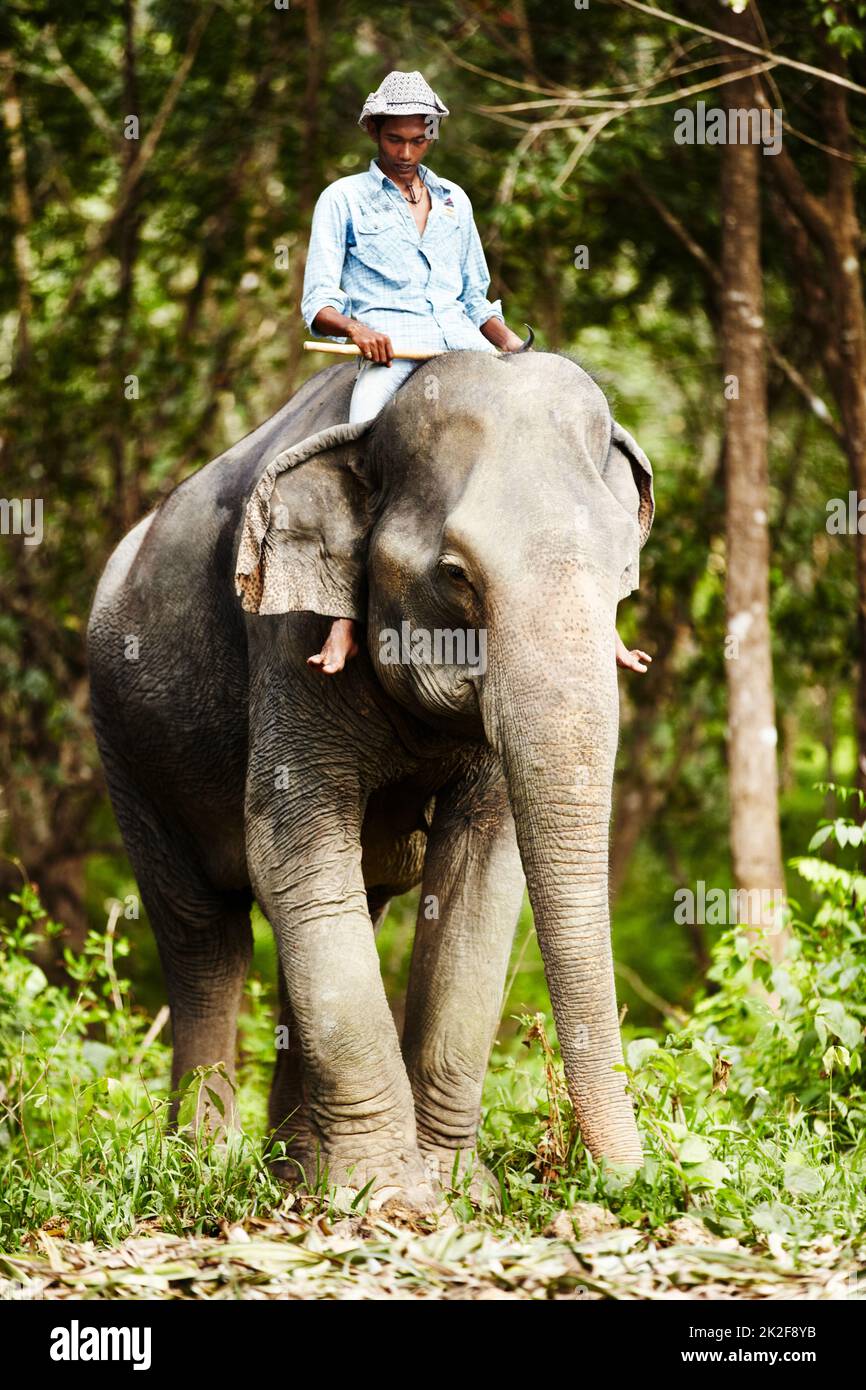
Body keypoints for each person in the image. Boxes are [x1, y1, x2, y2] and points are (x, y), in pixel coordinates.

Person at [299, 70, 650, 679]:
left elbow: (475, 300)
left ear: (431, 134)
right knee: (356, 466)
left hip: (468, 354)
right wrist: (356, 329)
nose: (406, 152)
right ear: (374, 132)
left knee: (560, 460)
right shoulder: (343, 200)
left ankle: (600, 621)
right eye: (395, 140)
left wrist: (516, 349)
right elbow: (317, 304)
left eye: (418, 139)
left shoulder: (455, 201)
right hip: (394, 358)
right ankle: (343, 617)